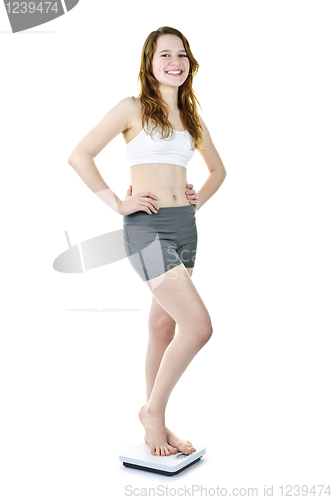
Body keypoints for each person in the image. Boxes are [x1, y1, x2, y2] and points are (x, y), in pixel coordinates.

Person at [68, 26, 227, 457]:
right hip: (147, 227)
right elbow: (79, 155)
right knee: (199, 326)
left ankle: (158, 417)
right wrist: (118, 203)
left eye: (182, 55)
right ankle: (152, 413)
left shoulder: (192, 119)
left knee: (164, 326)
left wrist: (196, 200)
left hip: (185, 227)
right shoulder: (132, 108)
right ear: (150, 64)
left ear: (189, 63)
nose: (175, 62)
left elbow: (218, 171)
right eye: (165, 55)